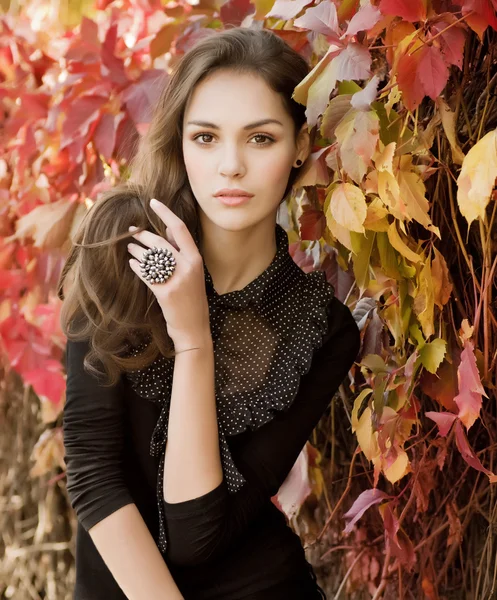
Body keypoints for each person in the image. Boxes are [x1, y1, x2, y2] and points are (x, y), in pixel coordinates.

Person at [58, 26, 361, 600]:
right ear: (179, 143)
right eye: (205, 137)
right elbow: (95, 478)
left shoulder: (321, 330)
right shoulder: (118, 252)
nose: (229, 167)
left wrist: (194, 340)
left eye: (260, 139)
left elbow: (197, 533)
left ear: (299, 147)